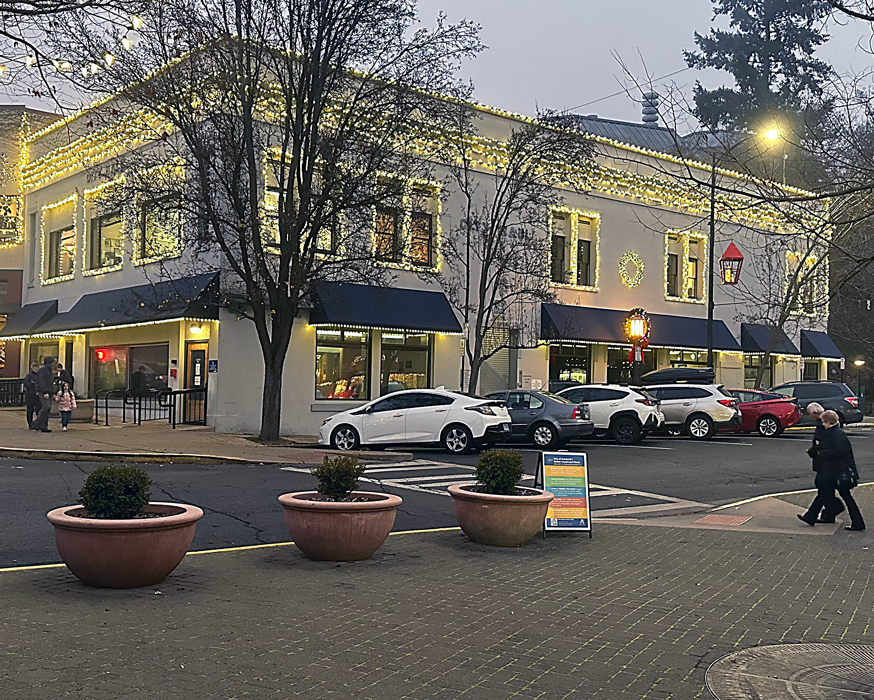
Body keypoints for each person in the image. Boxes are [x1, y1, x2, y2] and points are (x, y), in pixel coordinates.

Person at [798, 410, 865, 531]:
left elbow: (840, 451)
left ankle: (856, 522)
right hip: (834, 471)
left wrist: (821, 453)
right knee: (826, 493)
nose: (822, 424)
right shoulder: (834, 432)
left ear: (829, 422)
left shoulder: (836, 434)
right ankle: (816, 516)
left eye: (824, 422)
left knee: (839, 496)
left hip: (837, 471)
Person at [35, 356, 55, 433]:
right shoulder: (43, 369)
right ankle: (39, 423)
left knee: (48, 408)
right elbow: (42, 381)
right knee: (46, 407)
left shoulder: (48, 369)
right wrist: (44, 392)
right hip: (45, 391)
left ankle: (43, 425)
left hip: (49, 391)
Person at [22, 362, 41, 429]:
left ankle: (38, 423)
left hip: (38, 394)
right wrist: (31, 384)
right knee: (30, 409)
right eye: (34, 367)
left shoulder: (40, 375)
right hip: (30, 394)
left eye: (37, 367)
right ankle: (30, 424)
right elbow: (26, 384)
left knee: (38, 409)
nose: (36, 368)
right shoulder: (29, 375)